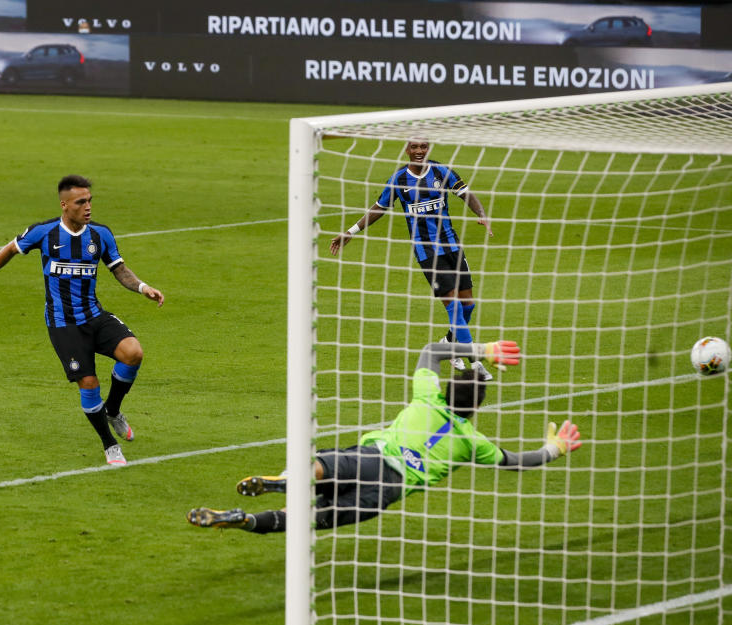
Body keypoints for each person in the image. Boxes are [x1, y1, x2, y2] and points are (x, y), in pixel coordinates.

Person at [187, 339, 582, 533]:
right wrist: (553, 448)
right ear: (476, 408)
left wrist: (483, 349)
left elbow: (432, 350)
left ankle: (285, 480)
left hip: (371, 456)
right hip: (389, 488)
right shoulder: (471, 442)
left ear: (447, 389)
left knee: (323, 465)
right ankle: (246, 520)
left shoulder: (427, 395)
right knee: (313, 518)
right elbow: (515, 461)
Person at [0, 174, 164, 466]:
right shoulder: (44, 233)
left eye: (90, 201)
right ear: (64, 205)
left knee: (134, 353)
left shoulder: (100, 235)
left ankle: (113, 410)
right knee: (88, 380)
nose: (88, 207)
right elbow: (8, 250)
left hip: (95, 315)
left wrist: (143, 287)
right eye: (81, 202)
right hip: (63, 323)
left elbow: (119, 269)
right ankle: (109, 444)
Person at [329, 139, 494, 380]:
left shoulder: (441, 171)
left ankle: (448, 344)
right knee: (455, 306)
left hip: (452, 246)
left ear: (428, 149)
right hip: (427, 253)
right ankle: (476, 363)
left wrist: (481, 214)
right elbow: (379, 207)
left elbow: (466, 194)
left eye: (423, 147)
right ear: (407, 149)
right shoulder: (399, 179)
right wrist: (351, 232)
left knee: (468, 304)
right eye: (414, 147)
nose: (419, 151)